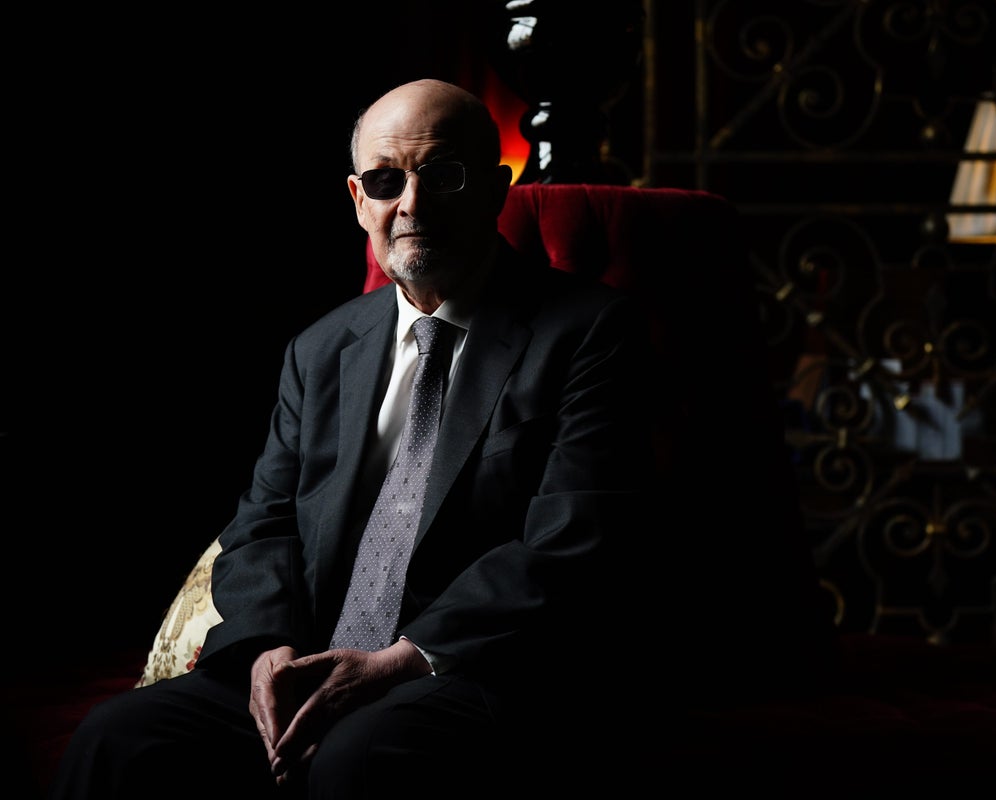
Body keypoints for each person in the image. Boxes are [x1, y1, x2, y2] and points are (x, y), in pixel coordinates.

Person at [50, 78, 655, 798]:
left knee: (356, 761)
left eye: (443, 175)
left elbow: (575, 542)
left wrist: (397, 662)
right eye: (385, 180)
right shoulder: (319, 349)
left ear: (496, 190)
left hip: (478, 664)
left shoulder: (590, 332)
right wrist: (268, 651)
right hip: (316, 656)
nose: (412, 204)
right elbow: (265, 521)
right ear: (358, 198)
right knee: (119, 737)